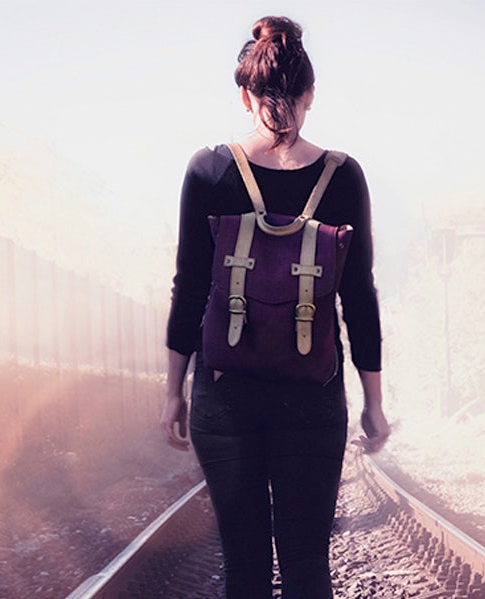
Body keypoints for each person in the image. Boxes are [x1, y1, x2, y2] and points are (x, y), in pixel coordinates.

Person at [159, 15, 390, 599]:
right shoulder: (343, 176)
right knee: (309, 565)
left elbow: (188, 288)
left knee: (244, 568)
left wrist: (172, 392)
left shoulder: (208, 171)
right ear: (310, 93)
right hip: (312, 392)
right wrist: (374, 402)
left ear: (245, 94)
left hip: (224, 391)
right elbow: (358, 295)